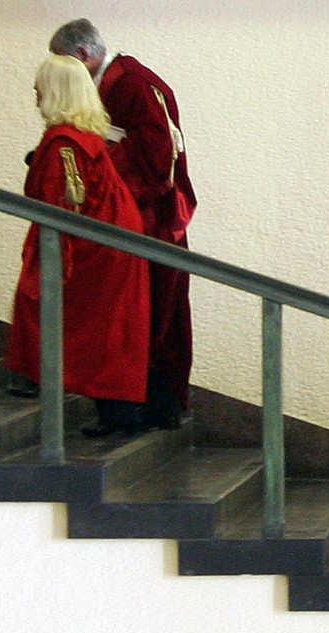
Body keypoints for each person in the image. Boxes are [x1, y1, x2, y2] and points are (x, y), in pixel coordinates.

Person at [50, 18, 197, 430]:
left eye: (64, 64)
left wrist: (101, 178)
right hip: (130, 213)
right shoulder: (115, 83)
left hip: (149, 217)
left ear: (82, 56)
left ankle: (153, 404)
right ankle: (145, 403)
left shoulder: (132, 83)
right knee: (136, 312)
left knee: (148, 311)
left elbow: (157, 156)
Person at [5, 55, 150, 436]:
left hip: (99, 249)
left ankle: (50, 381)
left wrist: (55, 262)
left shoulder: (64, 143)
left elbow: (64, 203)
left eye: (40, 86)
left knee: (87, 325)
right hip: (115, 239)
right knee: (115, 331)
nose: (35, 92)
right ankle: (116, 410)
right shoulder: (84, 136)